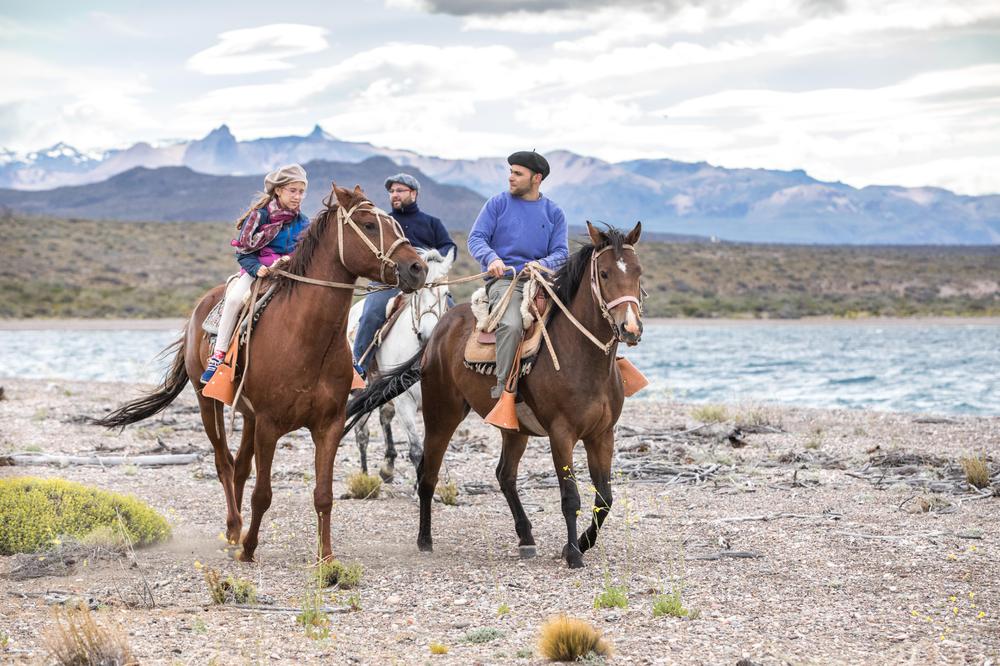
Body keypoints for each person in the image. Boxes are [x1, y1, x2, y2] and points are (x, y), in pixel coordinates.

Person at [467, 150, 568, 398]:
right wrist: (492, 258)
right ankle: (504, 389)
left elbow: (561, 252)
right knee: (512, 325)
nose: (510, 177)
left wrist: (541, 264)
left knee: (583, 312)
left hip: (542, 280)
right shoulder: (497, 204)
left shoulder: (554, 212)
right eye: (511, 172)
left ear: (536, 178)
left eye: (518, 173)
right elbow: (476, 238)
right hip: (505, 281)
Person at [200, 164, 311, 384]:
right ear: (278, 190)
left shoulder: (303, 221)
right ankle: (218, 355)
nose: (297, 196)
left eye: (301, 191)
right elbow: (243, 252)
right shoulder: (259, 217)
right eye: (292, 190)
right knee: (234, 300)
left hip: (290, 272)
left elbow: (305, 250)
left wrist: (290, 261)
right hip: (257, 271)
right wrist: (256, 268)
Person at [351, 172, 457, 377]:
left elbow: (449, 247)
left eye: (400, 190)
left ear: (413, 193)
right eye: (391, 191)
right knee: (372, 313)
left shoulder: (432, 223)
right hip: (389, 282)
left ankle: (456, 368)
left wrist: (432, 259)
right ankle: (359, 369)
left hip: (426, 283)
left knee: (454, 315)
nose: (394, 195)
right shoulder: (385, 222)